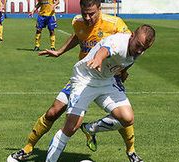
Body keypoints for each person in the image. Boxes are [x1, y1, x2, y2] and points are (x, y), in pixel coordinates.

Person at [7, 0, 139, 161]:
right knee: (53, 112)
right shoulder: (78, 21)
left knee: (123, 114)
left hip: (109, 77)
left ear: (99, 8)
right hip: (83, 78)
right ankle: (27, 147)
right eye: (85, 13)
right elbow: (78, 36)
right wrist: (60, 51)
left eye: (92, 13)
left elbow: (132, 49)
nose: (88, 17)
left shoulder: (115, 24)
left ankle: (131, 151)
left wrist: (123, 71)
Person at [46, 24, 156, 162]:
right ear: (132, 35)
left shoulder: (137, 50)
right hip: (85, 79)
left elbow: (128, 60)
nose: (139, 50)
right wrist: (98, 59)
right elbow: (104, 50)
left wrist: (123, 71)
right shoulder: (118, 42)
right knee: (71, 126)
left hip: (106, 81)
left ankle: (90, 129)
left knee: (127, 118)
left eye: (143, 49)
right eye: (138, 45)